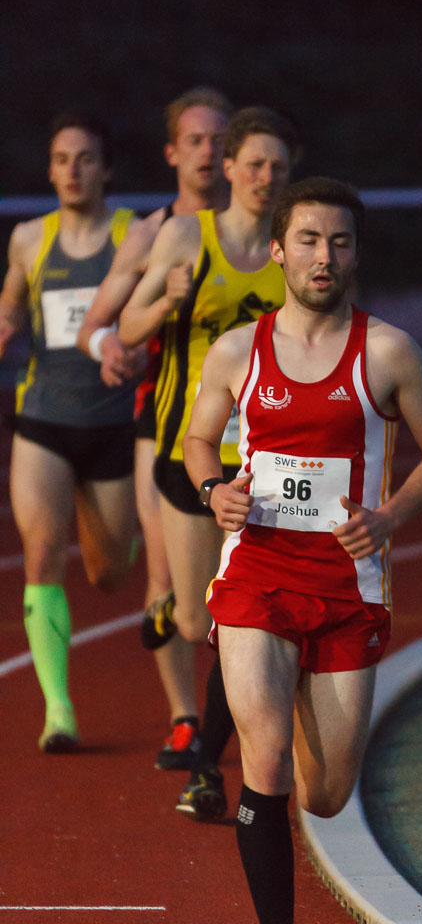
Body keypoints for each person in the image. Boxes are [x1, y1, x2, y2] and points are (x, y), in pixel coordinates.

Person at [182, 176, 422, 924]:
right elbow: (198, 438)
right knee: (263, 759)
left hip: (347, 587)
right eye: (307, 240)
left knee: (326, 795)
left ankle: (300, 724)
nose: (323, 257)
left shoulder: (390, 352)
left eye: (338, 242)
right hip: (257, 574)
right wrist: (214, 490)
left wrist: (390, 515)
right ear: (278, 250)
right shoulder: (239, 351)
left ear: (355, 254)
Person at [119, 106, 300, 818]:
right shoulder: (186, 237)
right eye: (254, 164)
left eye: (279, 167)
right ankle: (170, 604)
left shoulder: (294, 250)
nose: (266, 177)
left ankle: (207, 768)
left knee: (240, 620)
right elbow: (128, 328)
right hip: (188, 454)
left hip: (263, 466)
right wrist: (166, 301)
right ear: (227, 167)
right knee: (198, 625)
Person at [77, 87, 233, 771]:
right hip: (162, 425)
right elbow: (97, 324)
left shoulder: (259, 232)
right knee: (165, 579)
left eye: (219, 140)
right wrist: (108, 347)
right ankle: (183, 718)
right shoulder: (151, 233)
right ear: (172, 153)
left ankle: (243, 714)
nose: (208, 152)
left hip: (245, 428)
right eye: (195, 140)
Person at [0, 113, 139, 752]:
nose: (72, 170)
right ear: (50, 169)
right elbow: (10, 311)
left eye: (85, 158)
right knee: (44, 551)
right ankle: (59, 709)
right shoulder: (29, 240)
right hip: (44, 420)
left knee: (111, 573)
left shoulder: (133, 235)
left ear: (105, 168)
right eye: (61, 159)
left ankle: (101, 523)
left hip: (112, 423)